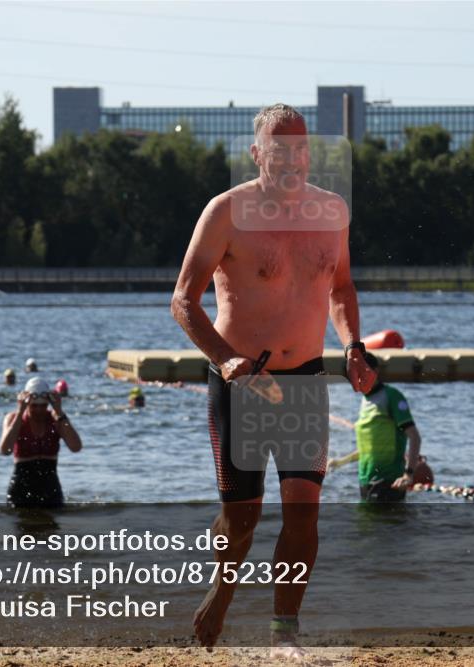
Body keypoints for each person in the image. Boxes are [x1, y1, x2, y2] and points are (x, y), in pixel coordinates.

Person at [171, 103, 375, 660]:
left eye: (301, 148)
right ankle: (224, 587)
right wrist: (224, 358)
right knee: (243, 515)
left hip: (306, 378)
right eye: (279, 149)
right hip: (242, 381)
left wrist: (353, 346)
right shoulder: (227, 212)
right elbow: (184, 300)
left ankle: (285, 631)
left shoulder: (332, 211)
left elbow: (341, 289)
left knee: (303, 510)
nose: (292, 159)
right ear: (258, 152)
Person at [327, 354, 424, 502]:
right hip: (366, 481)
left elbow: (414, 437)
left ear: (375, 371)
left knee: (386, 524)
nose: (358, 378)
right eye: (353, 375)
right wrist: (340, 462)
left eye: (362, 373)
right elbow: (368, 448)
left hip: (389, 482)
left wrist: (408, 474)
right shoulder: (366, 401)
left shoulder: (392, 396)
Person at [0, 377, 82, 508]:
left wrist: (59, 411)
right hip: (21, 488)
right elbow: (5, 450)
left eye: (43, 406)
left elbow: (76, 447)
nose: (38, 410)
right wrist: (20, 412)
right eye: (34, 406)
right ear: (26, 403)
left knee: (53, 528)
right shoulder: (13, 419)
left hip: (50, 487)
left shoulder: (57, 419)